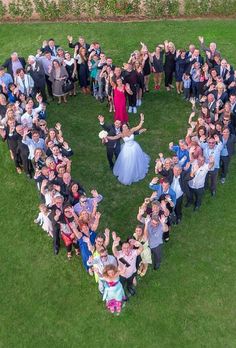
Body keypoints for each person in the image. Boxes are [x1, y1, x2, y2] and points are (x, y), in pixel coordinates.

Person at [107, 113, 150, 185]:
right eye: (123, 127)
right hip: (127, 149)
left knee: (137, 159)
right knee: (127, 161)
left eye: (126, 126)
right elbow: (114, 138)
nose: (125, 128)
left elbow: (139, 126)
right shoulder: (121, 134)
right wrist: (106, 136)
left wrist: (142, 119)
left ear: (127, 126)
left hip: (135, 147)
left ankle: (137, 170)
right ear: (121, 128)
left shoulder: (132, 130)